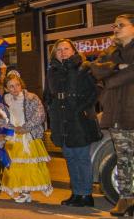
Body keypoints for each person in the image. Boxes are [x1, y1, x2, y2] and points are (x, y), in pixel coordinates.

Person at [43, 39, 100, 207]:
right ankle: (76, 193)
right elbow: (48, 94)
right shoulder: (52, 72)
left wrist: (82, 109)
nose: (63, 52)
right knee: (70, 157)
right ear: (55, 54)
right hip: (61, 121)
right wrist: (51, 108)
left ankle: (86, 195)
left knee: (81, 157)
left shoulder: (84, 68)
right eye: (59, 50)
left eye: (66, 49)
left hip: (79, 120)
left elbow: (96, 90)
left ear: (73, 51)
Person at [90, 13, 134, 216]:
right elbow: (96, 70)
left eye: (120, 25)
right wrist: (116, 67)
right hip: (117, 113)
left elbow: (127, 74)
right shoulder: (111, 51)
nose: (115, 28)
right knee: (123, 158)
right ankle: (126, 199)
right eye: (114, 25)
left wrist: (111, 79)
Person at [0, 72, 52, 203]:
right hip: (14, 137)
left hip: (28, 136)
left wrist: (26, 127)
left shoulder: (31, 98)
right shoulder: (5, 101)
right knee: (15, 166)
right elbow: (2, 117)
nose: (15, 89)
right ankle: (23, 191)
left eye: (17, 85)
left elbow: (40, 115)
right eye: (11, 86)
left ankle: (26, 192)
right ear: (6, 88)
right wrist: (9, 127)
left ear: (21, 84)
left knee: (28, 166)